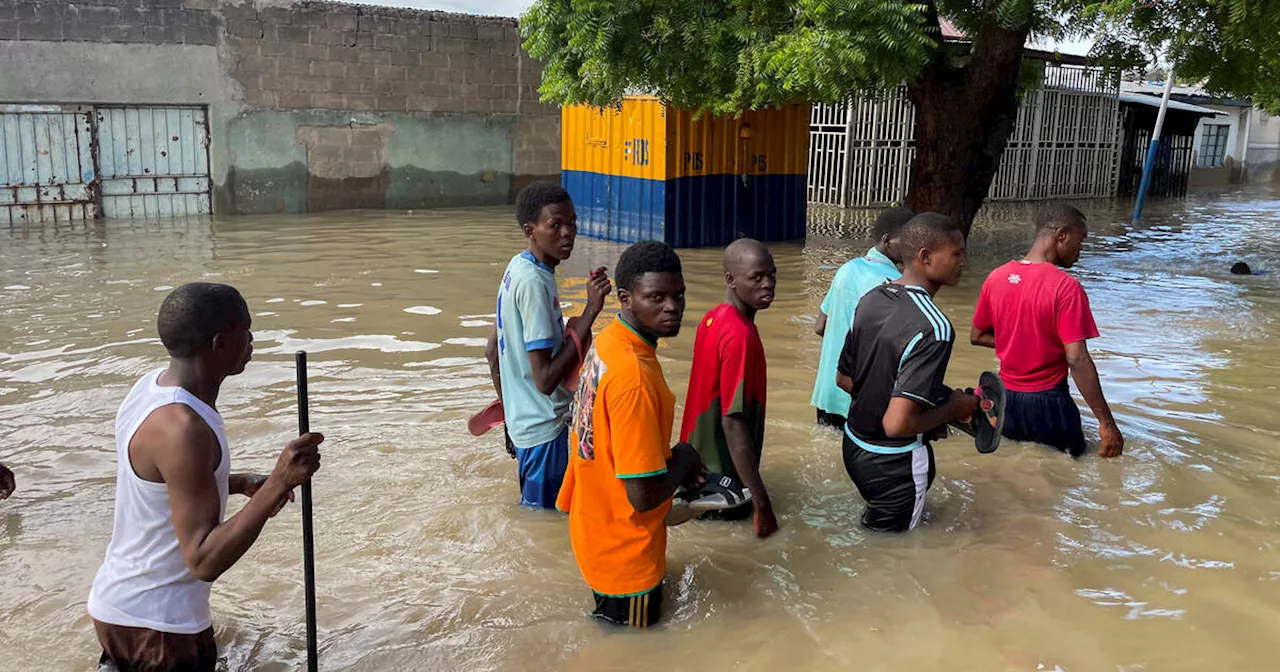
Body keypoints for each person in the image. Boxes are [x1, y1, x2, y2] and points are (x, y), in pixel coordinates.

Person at [87, 283, 323, 672]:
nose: (252, 341)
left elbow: (158, 485)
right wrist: (280, 482)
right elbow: (203, 559)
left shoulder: (150, 388)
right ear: (219, 344)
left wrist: (239, 480)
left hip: (120, 607)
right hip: (161, 626)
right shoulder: (186, 429)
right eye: (245, 332)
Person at [555, 240, 706, 628]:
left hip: (594, 529)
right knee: (636, 650)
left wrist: (669, 459)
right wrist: (685, 456)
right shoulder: (634, 378)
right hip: (627, 558)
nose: (672, 307)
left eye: (678, 295)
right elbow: (642, 497)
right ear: (625, 297)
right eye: (656, 297)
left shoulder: (607, 343)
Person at [836, 213, 980, 533]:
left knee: (874, 535)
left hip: (854, 447)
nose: (964, 262)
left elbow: (845, 379)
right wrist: (953, 409)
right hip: (895, 466)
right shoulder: (935, 326)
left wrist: (929, 408)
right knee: (894, 556)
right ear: (925, 257)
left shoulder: (872, 299)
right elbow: (897, 424)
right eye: (957, 254)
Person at [484, 181, 612, 508]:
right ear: (531, 230)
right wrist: (590, 311)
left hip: (526, 425)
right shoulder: (533, 284)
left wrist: (510, 417)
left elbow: (491, 351)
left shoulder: (519, 268)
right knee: (543, 521)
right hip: (544, 431)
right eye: (555, 225)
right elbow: (545, 381)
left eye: (572, 223)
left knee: (535, 516)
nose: (567, 232)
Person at [970, 203, 1125, 459]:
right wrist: (1106, 422)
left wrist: (1020, 345)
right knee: (1073, 473)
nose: (1080, 250)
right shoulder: (1066, 288)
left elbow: (977, 336)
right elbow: (1077, 359)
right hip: (1049, 402)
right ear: (1061, 235)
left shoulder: (995, 278)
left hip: (1005, 400)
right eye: (1080, 240)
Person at [679, 238, 779, 538]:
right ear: (730, 280)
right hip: (722, 487)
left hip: (696, 474)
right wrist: (762, 502)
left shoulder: (713, 318)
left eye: (771, 275)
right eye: (756, 277)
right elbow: (732, 422)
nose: (768, 284)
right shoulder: (740, 336)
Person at [811, 207, 914, 428]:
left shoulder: (847, 269)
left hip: (827, 391)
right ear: (887, 241)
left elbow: (820, 326)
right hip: (856, 394)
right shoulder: (895, 283)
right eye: (906, 242)